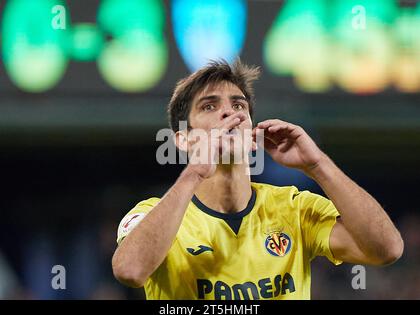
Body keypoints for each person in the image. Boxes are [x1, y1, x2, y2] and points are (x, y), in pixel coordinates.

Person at [112, 60, 404, 300]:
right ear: (184, 140)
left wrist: (318, 165)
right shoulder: (153, 214)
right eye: (209, 106)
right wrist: (194, 173)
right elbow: (130, 270)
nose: (230, 112)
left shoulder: (294, 208)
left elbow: (386, 249)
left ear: (252, 134)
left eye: (239, 106)